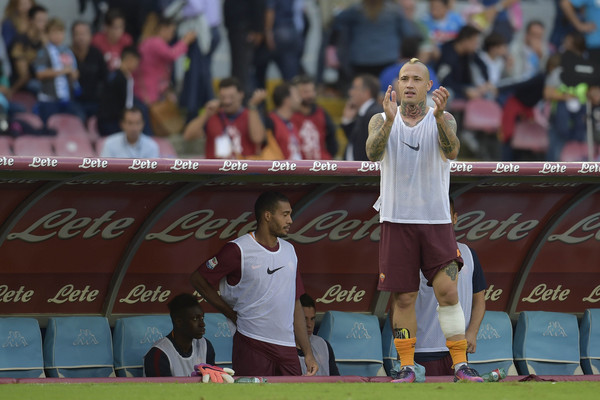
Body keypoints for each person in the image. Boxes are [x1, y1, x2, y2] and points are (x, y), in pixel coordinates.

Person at [365, 58, 483, 383]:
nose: (410, 84)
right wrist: (389, 121)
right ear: (398, 84)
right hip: (396, 219)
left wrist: (442, 117)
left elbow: (453, 150)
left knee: (448, 291)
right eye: (404, 78)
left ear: (428, 86)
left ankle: (460, 364)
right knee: (404, 297)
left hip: (435, 220)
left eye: (417, 79)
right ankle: (407, 365)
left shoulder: (442, 119)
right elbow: (373, 154)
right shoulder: (381, 118)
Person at [190, 191, 318, 376]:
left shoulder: (290, 251)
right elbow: (198, 279)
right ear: (267, 215)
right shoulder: (238, 249)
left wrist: (308, 353)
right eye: (285, 214)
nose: (290, 220)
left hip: (287, 346)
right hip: (252, 342)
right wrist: (229, 312)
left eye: (290, 214)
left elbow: (295, 302)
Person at [413, 198, 487, 376]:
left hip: (459, 351)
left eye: (445, 215)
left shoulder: (468, 253)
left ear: (455, 218)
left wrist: (472, 332)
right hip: (424, 351)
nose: (441, 220)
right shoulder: (414, 256)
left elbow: (479, 300)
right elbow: (401, 304)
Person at [183, 77, 267, 159]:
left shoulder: (251, 114)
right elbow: (188, 135)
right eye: (223, 97)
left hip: (243, 170)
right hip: (215, 170)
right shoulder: (213, 116)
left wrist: (252, 106)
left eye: (231, 97)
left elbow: (258, 138)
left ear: (241, 95)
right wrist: (206, 114)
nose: (227, 101)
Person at [143, 293, 215, 377]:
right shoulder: (158, 354)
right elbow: (161, 389)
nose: (202, 324)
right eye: (195, 318)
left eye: (202, 318)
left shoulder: (205, 345)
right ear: (178, 322)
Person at [33, 18, 85, 124]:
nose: (58, 35)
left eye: (60, 32)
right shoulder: (44, 51)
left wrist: (73, 74)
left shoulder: (67, 51)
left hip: (67, 98)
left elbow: (74, 73)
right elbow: (39, 73)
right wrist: (62, 71)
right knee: (50, 127)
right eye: (54, 32)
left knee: (80, 119)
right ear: (47, 34)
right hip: (49, 99)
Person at [134, 15, 195, 105]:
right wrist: (185, 41)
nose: (172, 35)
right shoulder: (156, 41)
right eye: (171, 31)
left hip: (151, 85)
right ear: (163, 28)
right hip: (149, 87)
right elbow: (171, 54)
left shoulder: (149, 40)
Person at [223, 0, 267, 95]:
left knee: (243, 72)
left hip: (244, 29)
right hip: (237, 29)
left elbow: (258, 4)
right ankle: (242, 102)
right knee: (240, 71)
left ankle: (245, 104)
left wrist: (258, 30)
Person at [290, 75, 338, 160]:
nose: (310, 95)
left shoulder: (321, 113)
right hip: (297, 166)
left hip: (321, 164)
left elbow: (332, 140)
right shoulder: (289, 115)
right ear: (295, 94)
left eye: (312, 91)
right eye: (305, 92)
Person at [97, 46, 141, 136]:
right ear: (130, 60)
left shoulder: (113, 74)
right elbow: (127, 106)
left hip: (105, 121)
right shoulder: (124, 78)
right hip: (113, 124)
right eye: (136, 63)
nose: (136, 66)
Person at [71, 20, 108, 120]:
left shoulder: (97, 54)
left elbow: (105, 77)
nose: (80, 37)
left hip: (95, 101)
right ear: (72, 36)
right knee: (78, 116)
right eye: (77, 34)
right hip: (73, 101)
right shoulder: (66, 54)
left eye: (84, 34)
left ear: (90, 36)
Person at [341, 73, 382, 161]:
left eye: (354, 88)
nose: (350, 92)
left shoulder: (374, 114)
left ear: (366, 92)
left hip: (364, 173)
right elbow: (356, 141)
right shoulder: (364, 112)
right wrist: (348, 121)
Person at [8, 4, 47, 95]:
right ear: (30, 20)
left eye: (45, 21)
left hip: (40, 77)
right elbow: (24, 75)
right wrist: (11, 91)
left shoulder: (43, 41)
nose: (43, 24)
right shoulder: (20, 41)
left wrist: (46, 43)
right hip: (23, 82)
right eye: (40, 21)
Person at [297, 293, 340, 376]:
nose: (309, 325)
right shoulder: (284, 349)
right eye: (304, 319)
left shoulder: (324, 345)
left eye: (312, 319)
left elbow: (336, 380)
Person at [269, 82, 303, 160]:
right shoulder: (270, 122)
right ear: (287, 100)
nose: (300, 100)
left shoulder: (291, 122)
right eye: (297, 96)